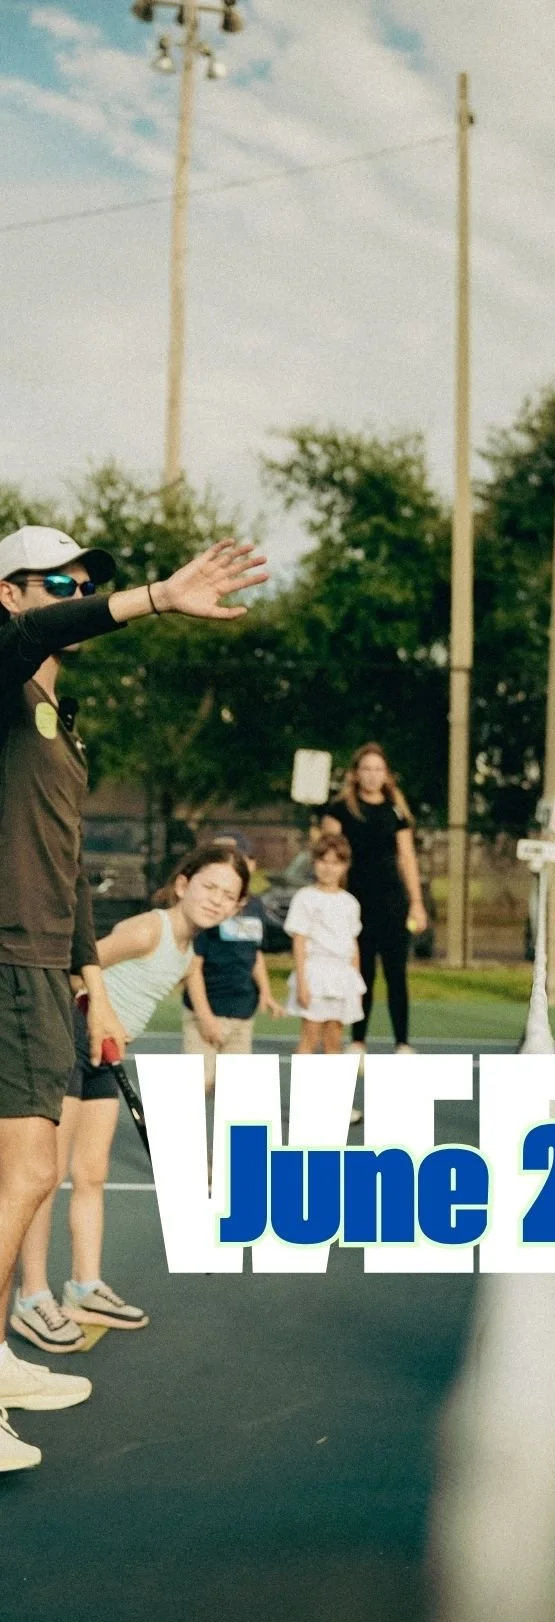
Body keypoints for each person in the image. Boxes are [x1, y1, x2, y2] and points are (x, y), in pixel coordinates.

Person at [0, 526, 267, 1471]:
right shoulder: (3, 667)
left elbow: (68, 868)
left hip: (42, 963)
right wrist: (153, 596)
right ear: (10, 594)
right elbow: (38, 636)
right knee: (25, 1176)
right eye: (56, 582)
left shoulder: (59, 728)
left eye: (84, 581)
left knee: (29, 1175)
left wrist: (93, 989)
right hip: (2, 956)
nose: (75, 591)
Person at [11, 846, 251, 1357]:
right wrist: (98, 1013)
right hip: (75, 1036)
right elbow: (79, 968)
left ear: (237, 908)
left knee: (91, 1172)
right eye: (209, 886)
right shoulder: (150, 929)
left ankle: (84, 1285)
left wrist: (203, 1017)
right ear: (183, 884)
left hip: (107, 1051)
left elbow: (188, 976)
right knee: (46, 1176)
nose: (217, 899)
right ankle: (32, 1297)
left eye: (229, 895)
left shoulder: (190, 948)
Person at [321, 743, 427, 1064]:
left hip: (392, 902)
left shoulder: (396, 812)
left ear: (386, 775)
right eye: (366, 769)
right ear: (355, 774)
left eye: (378, 769)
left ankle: (402, 1042)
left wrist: (417, 903)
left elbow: (407, 857)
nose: (372, 775)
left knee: (396, 973)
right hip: (354, 903)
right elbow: (329, 856)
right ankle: (358, 1041)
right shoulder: (339, 810)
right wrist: (332, 902)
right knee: (361, 972)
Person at [182, 833, 284, 1091]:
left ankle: (236, 1134)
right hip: (205, 1012)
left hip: (242, 1012)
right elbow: (193, 966)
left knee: (237, 1091)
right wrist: (205, 1017)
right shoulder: (210, 907)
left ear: (252, 865)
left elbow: (255, 954)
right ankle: (174, 1127)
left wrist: (266, 993)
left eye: (243, 859)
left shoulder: (256, 906)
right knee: (199, 1083)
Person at [285, 832, 364, 1056]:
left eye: (336, 863)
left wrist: (354, 983)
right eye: (323, 861)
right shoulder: (305, 897)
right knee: (309, 1039)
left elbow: (353, 945)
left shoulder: (350, 903)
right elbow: (299, 942)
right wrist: (302, 982)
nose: (329, 868)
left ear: (345, 866)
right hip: (315, 974)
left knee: (334, 1041)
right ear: (314, 863)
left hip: (341, 975)